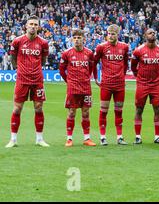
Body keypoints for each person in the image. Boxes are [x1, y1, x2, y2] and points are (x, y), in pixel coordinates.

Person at [6, 16, 50, 148]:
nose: (33, 26)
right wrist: (18, 69)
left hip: (37, 80)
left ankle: (39, 139)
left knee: (38, 108)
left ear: (38, 27)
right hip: (22, 80)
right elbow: (12, 57)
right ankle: (13, 140)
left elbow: (43, 60)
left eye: (35, 24)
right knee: (17, 109)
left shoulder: (43, 43)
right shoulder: (17, 41)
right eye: (31, 24)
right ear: (26, 26)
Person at [93, 24, 130, 146]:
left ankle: (119, 137)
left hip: (119, 85)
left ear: (117, 35)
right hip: (106, 84)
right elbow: (94, 63)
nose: (110, 36)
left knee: (119, 111)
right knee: (103, 111)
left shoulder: (124, 47)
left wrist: (122, 76)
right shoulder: (101, 47)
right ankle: (102, 137)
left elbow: (125, 63)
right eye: (109, 34)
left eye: (113, 34)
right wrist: (95, 77)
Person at [59, 29, 96, 147]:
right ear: (72, 39)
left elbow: (91, 67)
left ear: (83, 39)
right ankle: (69, 139)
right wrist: (68, 80)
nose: (77, 40)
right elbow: (61, 69)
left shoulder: (89, 53)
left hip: (86, 87)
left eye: (79, 38)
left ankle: (87, 138)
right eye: (74, 38)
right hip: (73, 87)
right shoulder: (67, 53)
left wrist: (88, 77)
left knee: (86, 112)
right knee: (71, 112)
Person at [131, 28, 159, 144]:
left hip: (156, 85)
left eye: (154, 33)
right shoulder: (138, 51)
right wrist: (139, 77)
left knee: (158, 109)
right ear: (145, 36)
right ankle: (138, 136)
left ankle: (157, 136)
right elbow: (133, 67)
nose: (152, 34)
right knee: (139, 109)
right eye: (150, 33)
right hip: (142, 84)